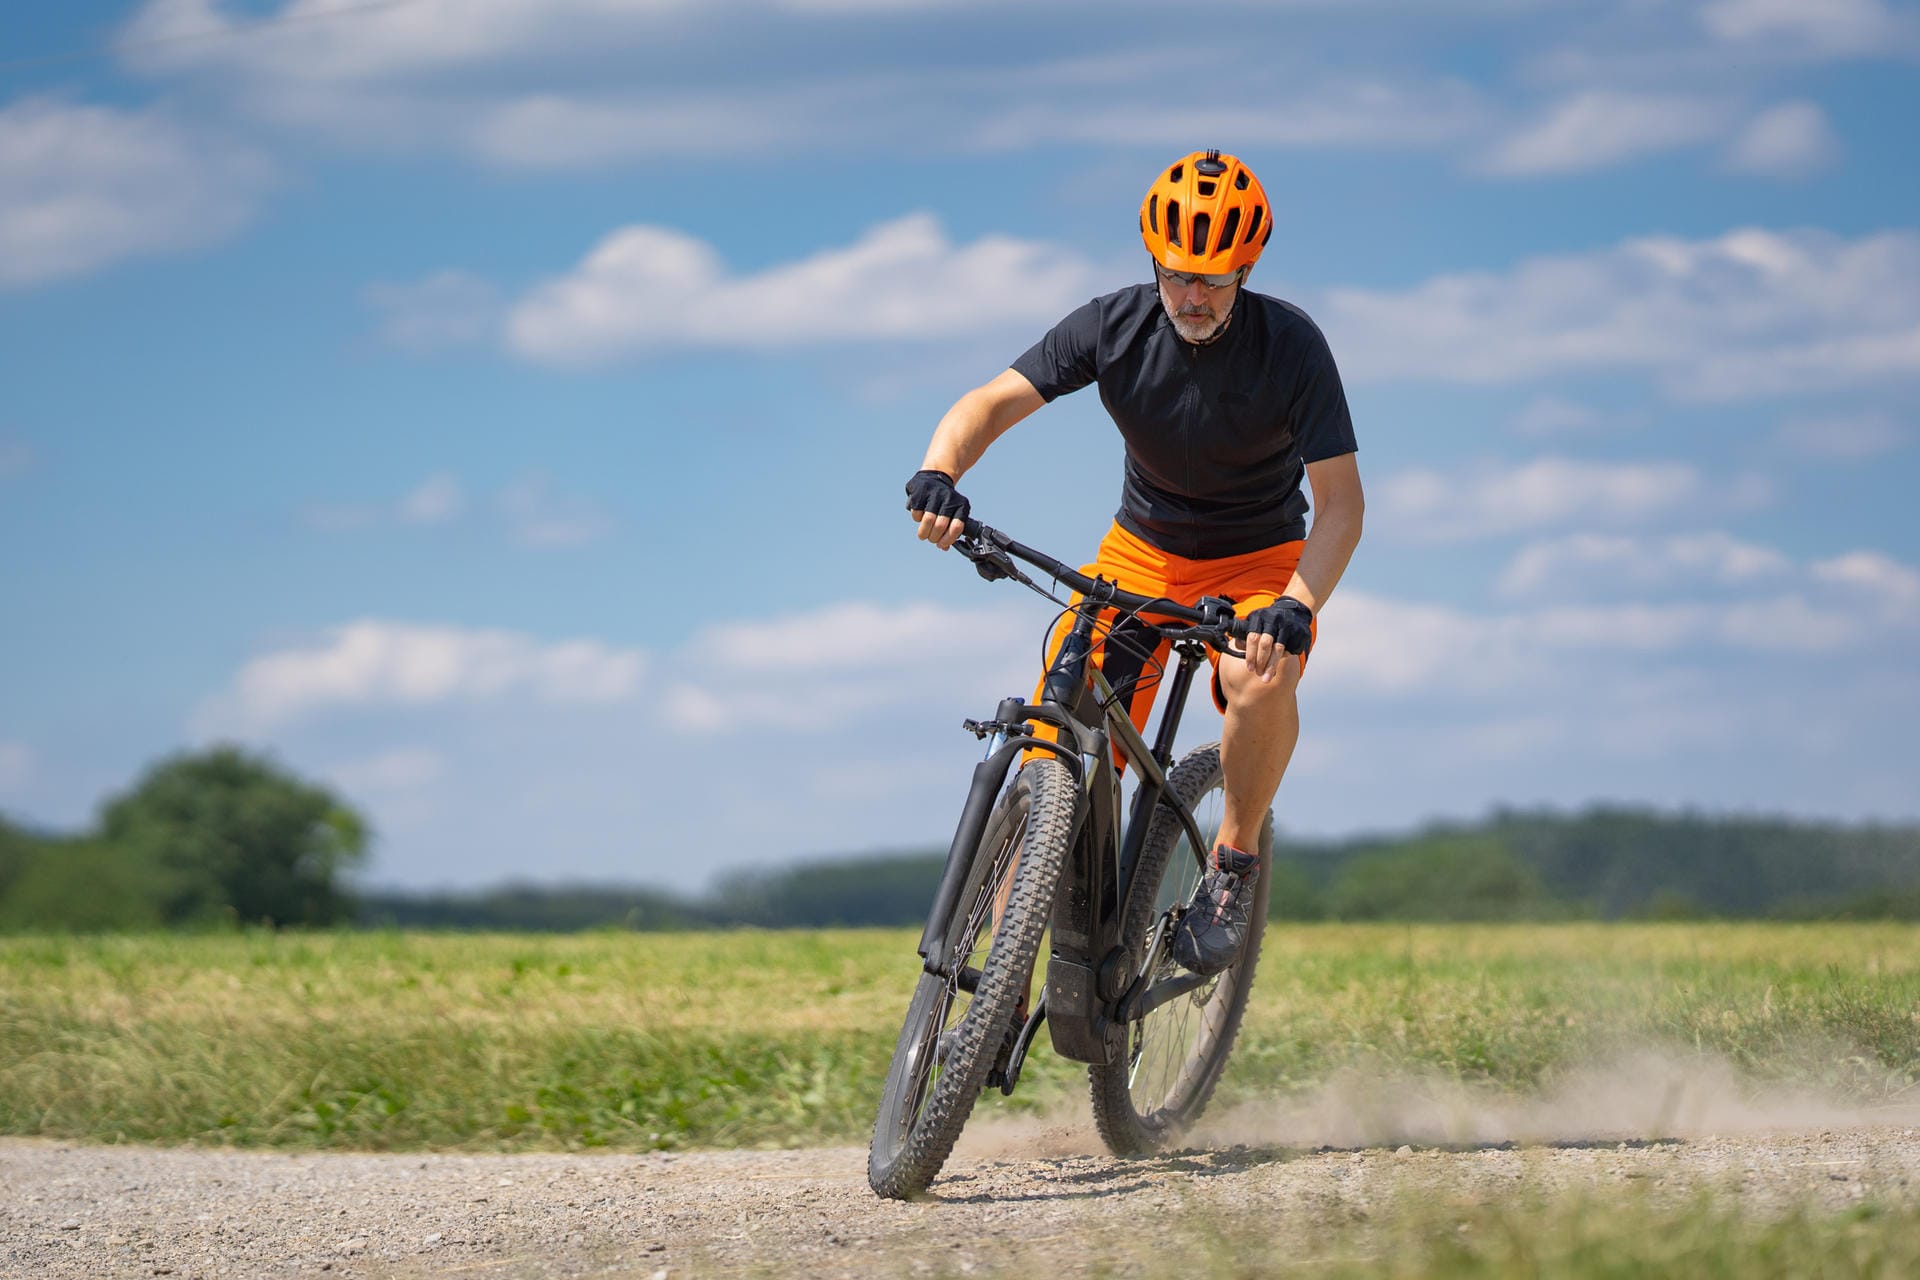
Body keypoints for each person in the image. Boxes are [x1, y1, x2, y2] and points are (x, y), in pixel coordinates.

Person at [905, 149, 1364, 977]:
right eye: (1180, 275)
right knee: (1054, 742)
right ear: (1155, 260)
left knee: (1261, 679)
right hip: (1139, 558)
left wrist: (1296, 601)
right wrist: (942, 472)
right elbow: (987, 403)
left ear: (1247, 270)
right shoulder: (1112, 326)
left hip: (1258, 563)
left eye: (1217, 281)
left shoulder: (1292, 346)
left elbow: (1342, 507)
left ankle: (1232, 861)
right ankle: (1003, 991)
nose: (1194, 297)